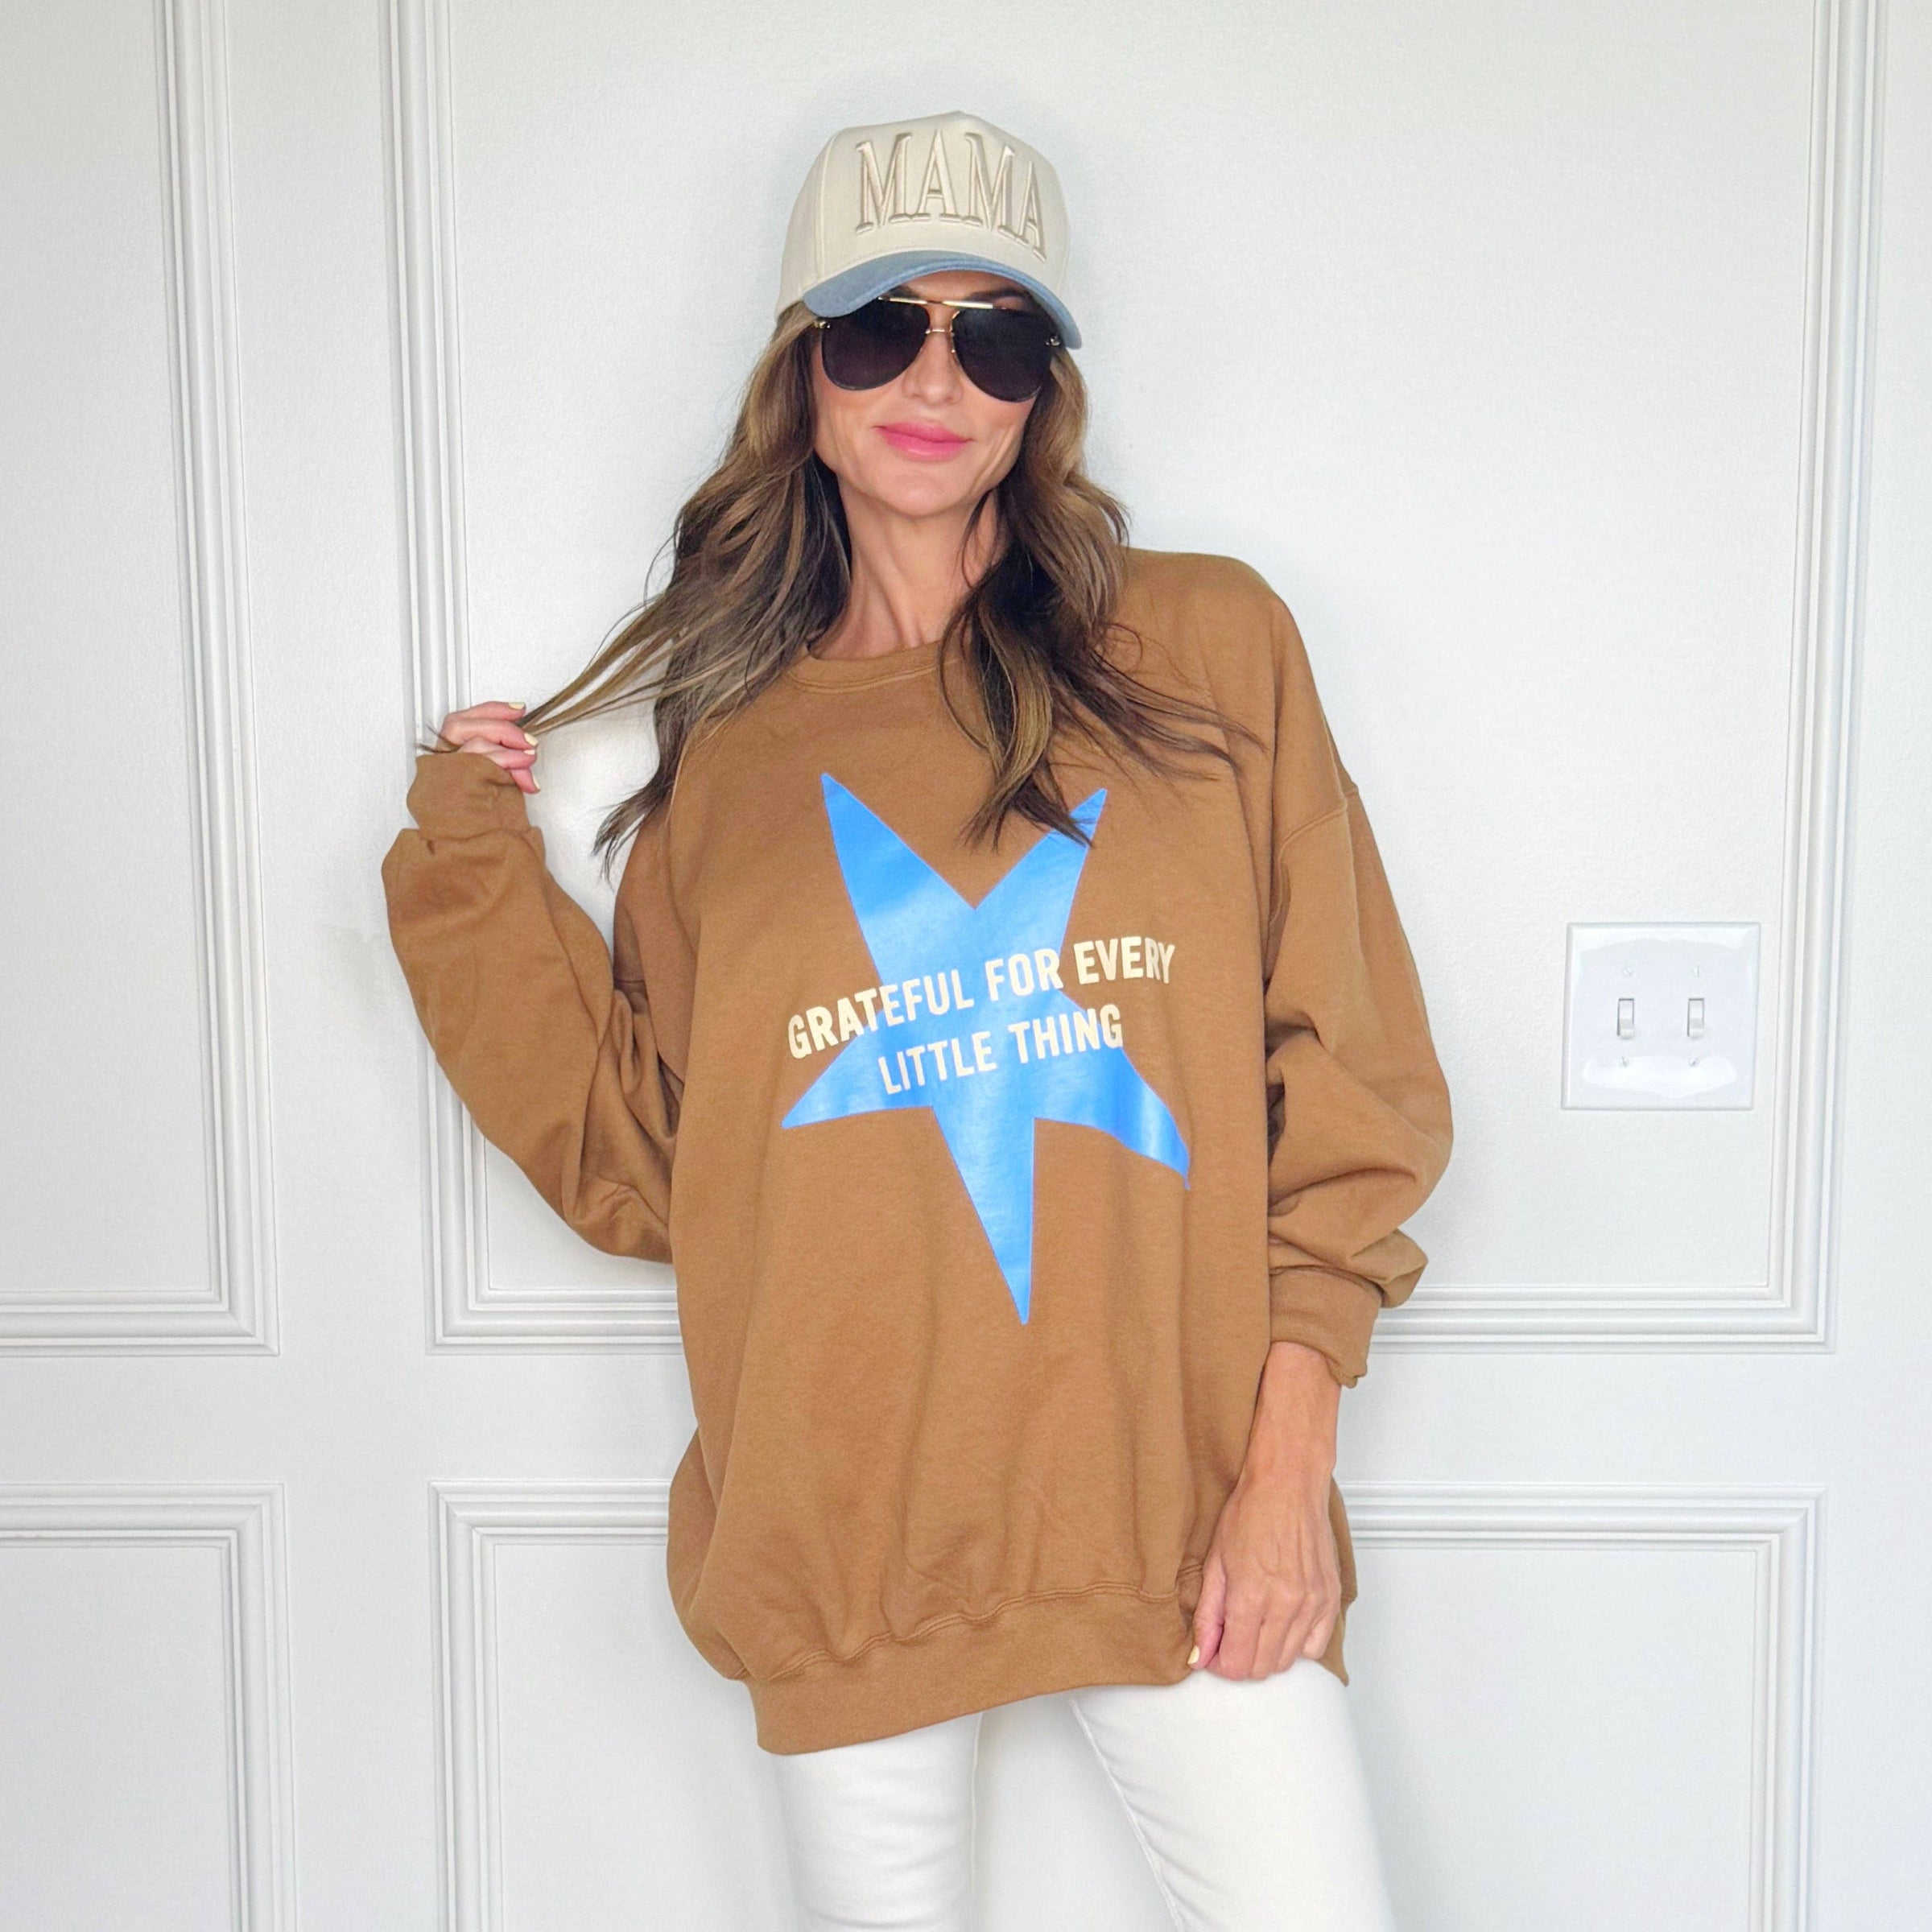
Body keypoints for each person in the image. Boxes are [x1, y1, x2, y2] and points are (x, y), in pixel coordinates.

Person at [383, 108, 1453, 1932]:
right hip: (846, 1527)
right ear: (804, 371)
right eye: (884, 326)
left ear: (1047, 391)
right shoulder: (733, 753)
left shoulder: (1207, 646)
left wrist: (1287, 1476)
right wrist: (473, 870)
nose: (939, 379)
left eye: (999, 337)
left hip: (1180, 1508)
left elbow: (1350, 1082)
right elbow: (652, 1161)